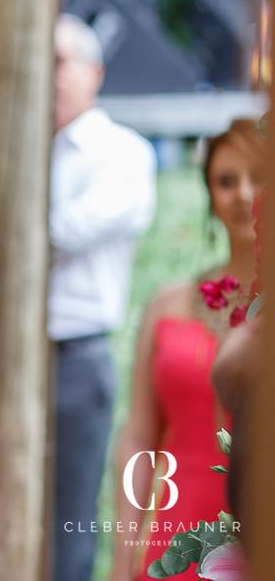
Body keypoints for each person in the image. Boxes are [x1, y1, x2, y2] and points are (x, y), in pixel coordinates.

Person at [109, 119, 261, 581]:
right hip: (178, 527)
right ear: (209, 194)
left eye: (259, 176)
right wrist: (122, 558)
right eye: (226, 181)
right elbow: (139, 437)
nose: (244, 194)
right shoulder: (166, 305)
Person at [50, 13, 157, 581]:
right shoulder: (15, 144)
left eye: (60, 61)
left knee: (71, 515)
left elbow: (63, 231)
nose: (48, 74)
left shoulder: (123, 151)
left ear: (94, 72)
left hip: (76, 353)